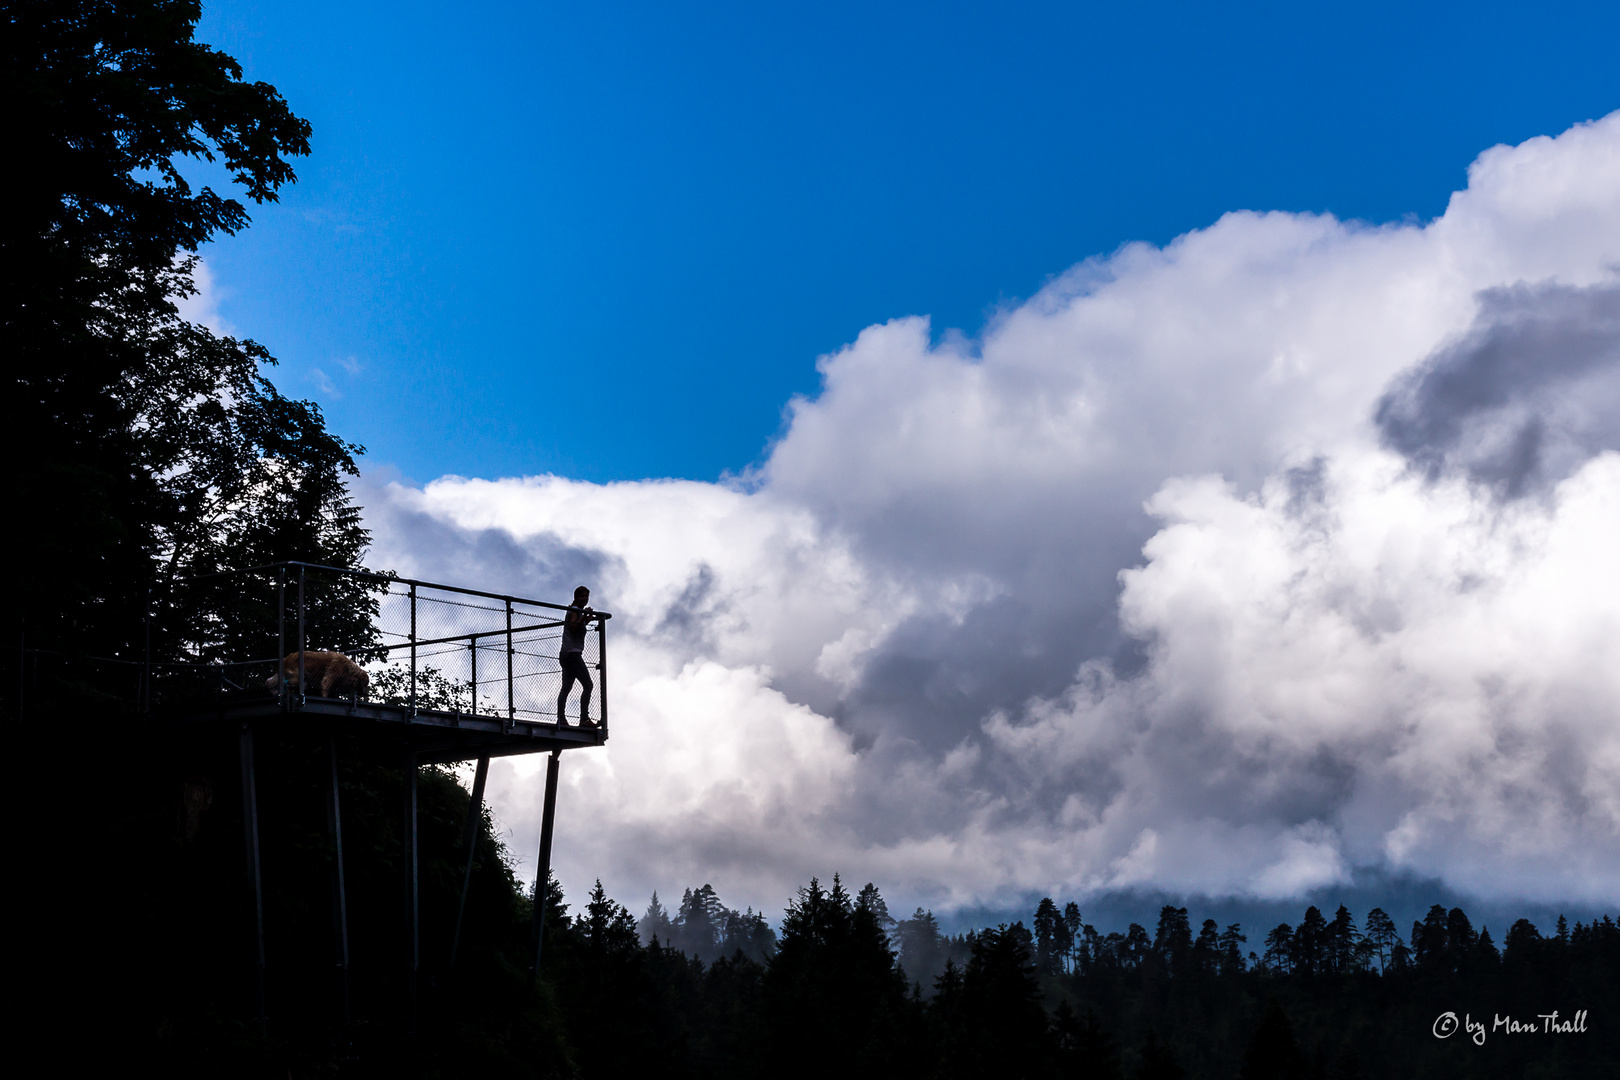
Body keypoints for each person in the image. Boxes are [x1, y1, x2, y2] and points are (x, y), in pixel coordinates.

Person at [557, 585, 596, 727]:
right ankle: (584, 719)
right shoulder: (575, 611)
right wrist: (584, 616)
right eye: (582, 596)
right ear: (576, 597)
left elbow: (578, 625)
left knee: (566, 688)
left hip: (566, 654)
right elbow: (573, 627)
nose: (585, 599)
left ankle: (561, 719)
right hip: (573, 654)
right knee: (588, 685)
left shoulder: (577, 612)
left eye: (586, 596)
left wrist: (586, 619)